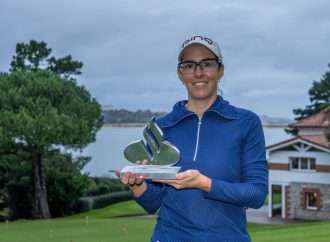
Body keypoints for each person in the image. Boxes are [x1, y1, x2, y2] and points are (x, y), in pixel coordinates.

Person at [120, 35, 268, 242]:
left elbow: (256, 194)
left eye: (206, 64)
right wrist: (138, 186)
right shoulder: (162, 126)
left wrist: (204, 183)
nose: (198, 73)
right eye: (189, 65)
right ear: (180, 74)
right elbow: (154, 202)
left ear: (220, 70)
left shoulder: (245, 122)